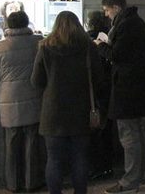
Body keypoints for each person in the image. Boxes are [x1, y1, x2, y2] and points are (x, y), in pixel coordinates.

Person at [31, 11, 103, 194]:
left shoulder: (45, 47)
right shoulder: (88, 47)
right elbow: (98, 77)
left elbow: (36, 81)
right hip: (81, 109)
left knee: (54, 159)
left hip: (53, 111)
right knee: (80, 158)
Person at [95, 0, 145, 194]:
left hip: (126, 89)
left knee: (129, 136)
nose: (107, 15)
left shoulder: (128, 25)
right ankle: (136, 175)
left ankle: (130, 180)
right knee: (136, 132)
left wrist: (101, 45)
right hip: (134, 87)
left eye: (107, 11)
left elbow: (117, 55)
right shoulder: (134, 22)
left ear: (116, 7)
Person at [0, 10, 44, 193]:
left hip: (9, 102)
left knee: (11, 143)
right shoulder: (38, 43)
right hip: (34, 98)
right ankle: (31, 182)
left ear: (7, 25)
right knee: (33, 142)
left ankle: (13, 184)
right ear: (27, 23)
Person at [85, 11, 114, 180]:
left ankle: (97, 167)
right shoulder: (109, 37)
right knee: (106, 129)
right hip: (107, 89)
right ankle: (107, 165)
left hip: (93, 92)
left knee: (95, 132)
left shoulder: (87, 41)